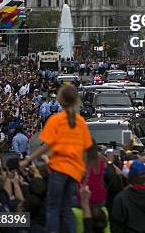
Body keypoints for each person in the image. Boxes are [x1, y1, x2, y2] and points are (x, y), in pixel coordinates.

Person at [20, 84, 92, 233]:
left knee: (52, 208)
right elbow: (85, 149)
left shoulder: (55, 120)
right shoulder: (81, 122)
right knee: (67, 208)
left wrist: (28, 160)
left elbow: (46, 146)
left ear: (60, 100)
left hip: (59, 169)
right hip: (75, 171)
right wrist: (84, 171)